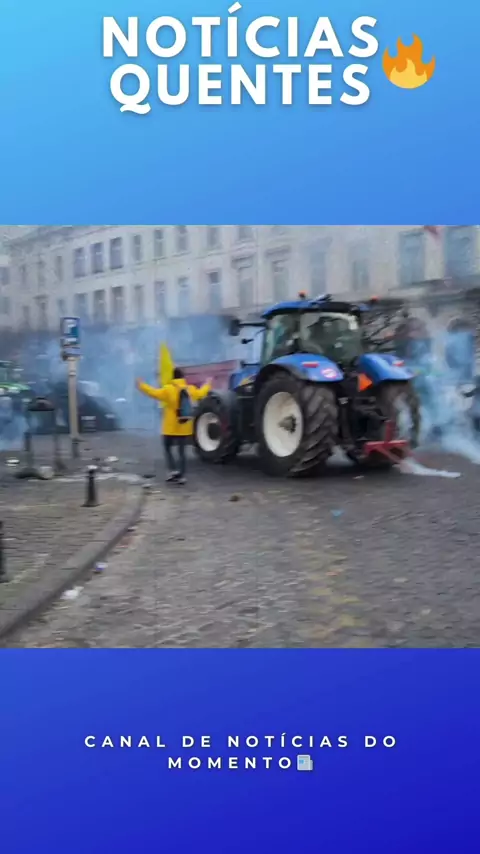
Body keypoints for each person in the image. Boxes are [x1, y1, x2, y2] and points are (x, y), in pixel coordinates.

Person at [136, 368, 211, 484]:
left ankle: (173, 471)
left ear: (173, 377)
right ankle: (182, 476)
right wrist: (208, 384)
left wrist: (141, 385)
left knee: (167, 448)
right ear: (183, 377)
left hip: (170, 427)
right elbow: (201, 393)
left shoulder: (168, 389)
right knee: (182, 452)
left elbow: (153, 393)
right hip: (184, 426)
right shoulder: (190, 389)